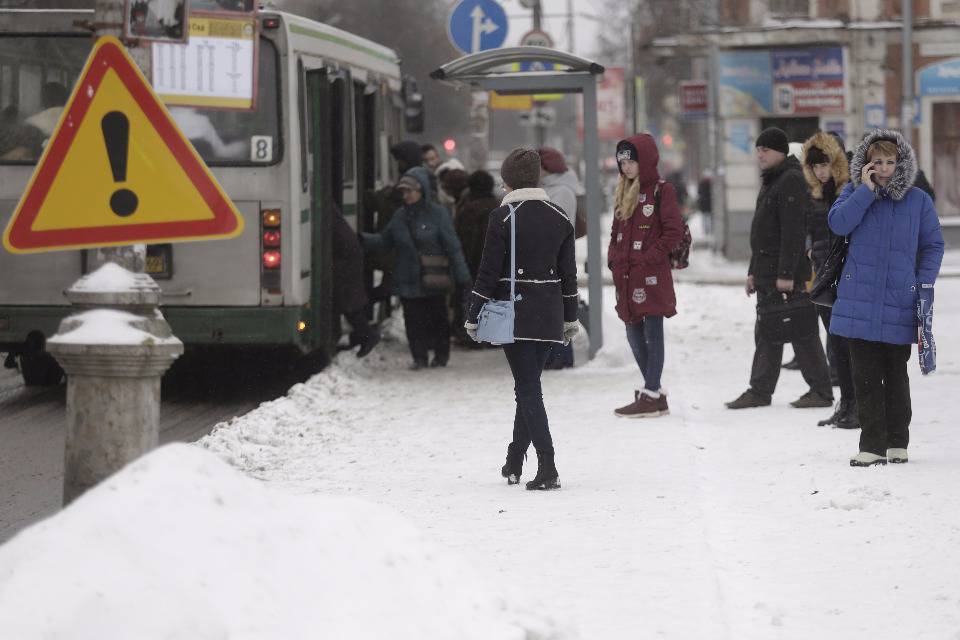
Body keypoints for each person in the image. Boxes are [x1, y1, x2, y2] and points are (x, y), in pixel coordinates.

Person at [464, 147, 579, 491]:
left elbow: (488, 272)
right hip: (549, 315)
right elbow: (569, 275)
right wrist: (570, 318)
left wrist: (473, 312)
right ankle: (514, 460)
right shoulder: (560, 217)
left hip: (515, 314)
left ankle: (548, 466)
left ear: (509, 181)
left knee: (528, 389)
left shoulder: (503, 218)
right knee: (528, 386)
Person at [828, 130, 944, 466]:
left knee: (895, 375)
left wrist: (921, 282)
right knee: (864, 377)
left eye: (890, 162)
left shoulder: (918, 201)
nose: (883, 168)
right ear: (866, 164)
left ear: (900, 163)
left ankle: (897, 441)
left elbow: (933, 245)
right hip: (858, 299)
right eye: (876, 161)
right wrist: (865, 192)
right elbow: (838, 224)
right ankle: (871, 445)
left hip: (899, 300)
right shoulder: (853, 192)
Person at [726, 127, 834, 410]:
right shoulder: (772, 179)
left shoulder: (790, 180)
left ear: (780, 152)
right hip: (767, 270)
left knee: (801, 330)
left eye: (765, 150)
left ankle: (820, 390)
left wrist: (786, 274)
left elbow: (793, 231)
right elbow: (762, 232)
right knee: (768, 330)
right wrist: (753, 271)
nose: (760, 154)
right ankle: (761, 390)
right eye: (758, 149)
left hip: (783, 273)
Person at [361, 167, 471, 370]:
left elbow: (452, 246)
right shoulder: (400, 216)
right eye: (403, 191)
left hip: (434, 277)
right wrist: (360, 239)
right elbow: (385, 240)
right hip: (408, 278)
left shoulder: (438, 214)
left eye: (410, 191)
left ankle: (441, 355)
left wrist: (463, 277)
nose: (406, 195)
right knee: (413, 321)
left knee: (438, 319)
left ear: (423, 190)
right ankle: (419, 357)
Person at [608, 134, 685, 417]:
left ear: (646, 161)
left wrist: (648, 257)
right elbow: (615, 232)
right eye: (622, 162)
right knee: (632, 332)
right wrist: (613, 259)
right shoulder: (622, 191)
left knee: (653, 332)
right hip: (626, 275)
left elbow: (674, 231)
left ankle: (651, 392)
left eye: (631, 161)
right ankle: (654, 393)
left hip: (650, 274)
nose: (626, 167)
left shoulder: (662, 191)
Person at [801, 131, 857, 429]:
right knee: (835, 343)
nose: (820, 171)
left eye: (824, 165)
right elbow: (810, 226)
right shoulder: (815, 192)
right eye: (815, 166)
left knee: (849, 345)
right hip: (823, 275)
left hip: (846, 276)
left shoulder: (850, 190)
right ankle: (845, 403)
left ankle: (857, 405)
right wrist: (810, 247)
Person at [538, 146, 582, 370]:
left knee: (559, 306)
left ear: (547, 167)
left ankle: (561, 356)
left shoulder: (562, 191)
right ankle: (555, 355)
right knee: (552, 307)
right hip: (550, 255)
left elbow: (556, 225)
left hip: (557, 255)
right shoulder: (546, 188)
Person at [452, 170, 500, 345]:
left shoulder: (467, 210)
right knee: (495, 299)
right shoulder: (500, 208)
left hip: (472, 263)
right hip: (497, 264)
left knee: (472, 300)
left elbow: (461, 239)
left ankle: (472, 337)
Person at [331, 205, 380, 358]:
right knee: (349, 299)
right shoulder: (330, 209)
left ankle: (367, 335)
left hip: (345, 257)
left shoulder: (324, 208)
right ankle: (361, 335)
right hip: (347, 254)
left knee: (348, 301)